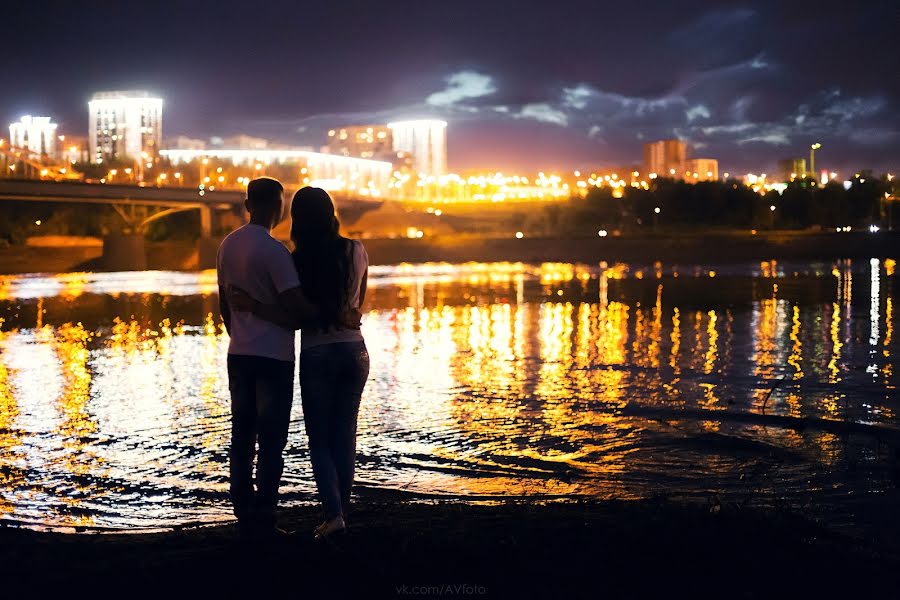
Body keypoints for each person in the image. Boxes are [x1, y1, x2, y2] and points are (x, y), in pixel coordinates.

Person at [229, 186, 369, 541]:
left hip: (316, 353)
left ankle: (331, 515)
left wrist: (250, 309)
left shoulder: (296, 258)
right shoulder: (357, 250)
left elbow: (297, 313)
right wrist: (343, 315)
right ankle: (343, 513)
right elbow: (358, 303)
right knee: (345, 436)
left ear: (298, 220)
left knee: (318, 439)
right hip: (355, 351)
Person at [216, 176, 319, 539]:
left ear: (247, 205)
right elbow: (296, 313)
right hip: (273, 356)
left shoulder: (227, 246)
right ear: (279, 207)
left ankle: (243, 513)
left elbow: (224, 305)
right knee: (272, 439)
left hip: (239, 353)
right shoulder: (275, 253)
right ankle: (266, 517)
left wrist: (241, 332)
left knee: (241, 435)